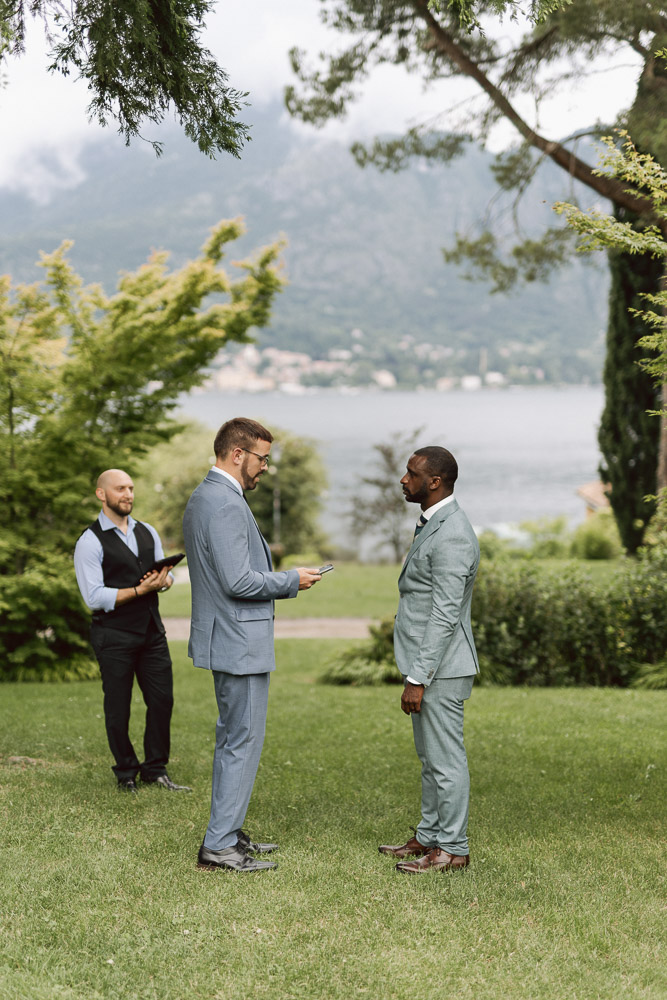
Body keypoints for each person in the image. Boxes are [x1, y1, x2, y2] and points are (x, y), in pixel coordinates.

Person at [183, 417, 321, 873]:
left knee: (232, 738)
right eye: (262, 458)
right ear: (237, 454)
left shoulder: (210, 496)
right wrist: (292, 580)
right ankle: (220, 845)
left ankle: (228, 832)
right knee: (242, 740)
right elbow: (238, 580)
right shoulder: (223, 503)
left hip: (231, 639)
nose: (265, 468)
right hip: (239, 642)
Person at [379, 446, 480, 874]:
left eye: (411, 473)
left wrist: (417, 677)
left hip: (441, 667)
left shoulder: (453, 533)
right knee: (430, 758)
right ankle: (430, 836)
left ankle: (453, 849)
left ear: (434, 481)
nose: (404, 479)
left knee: (445, 760)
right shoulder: (434, 523)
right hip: (429, 665)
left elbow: (444, 613)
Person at [74, 469, 190, 794]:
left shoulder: (147, 531)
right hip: (113, 635)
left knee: (162, 700)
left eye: (131, 488)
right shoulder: (89, 542)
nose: (128, 494)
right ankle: (126, 772)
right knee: (118, 707)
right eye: (120, 488)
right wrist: (139, 591)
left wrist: (163, 581)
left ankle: (156, 769)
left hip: (152, 632)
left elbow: (164, 578)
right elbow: (93, 597)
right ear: (102, 494)